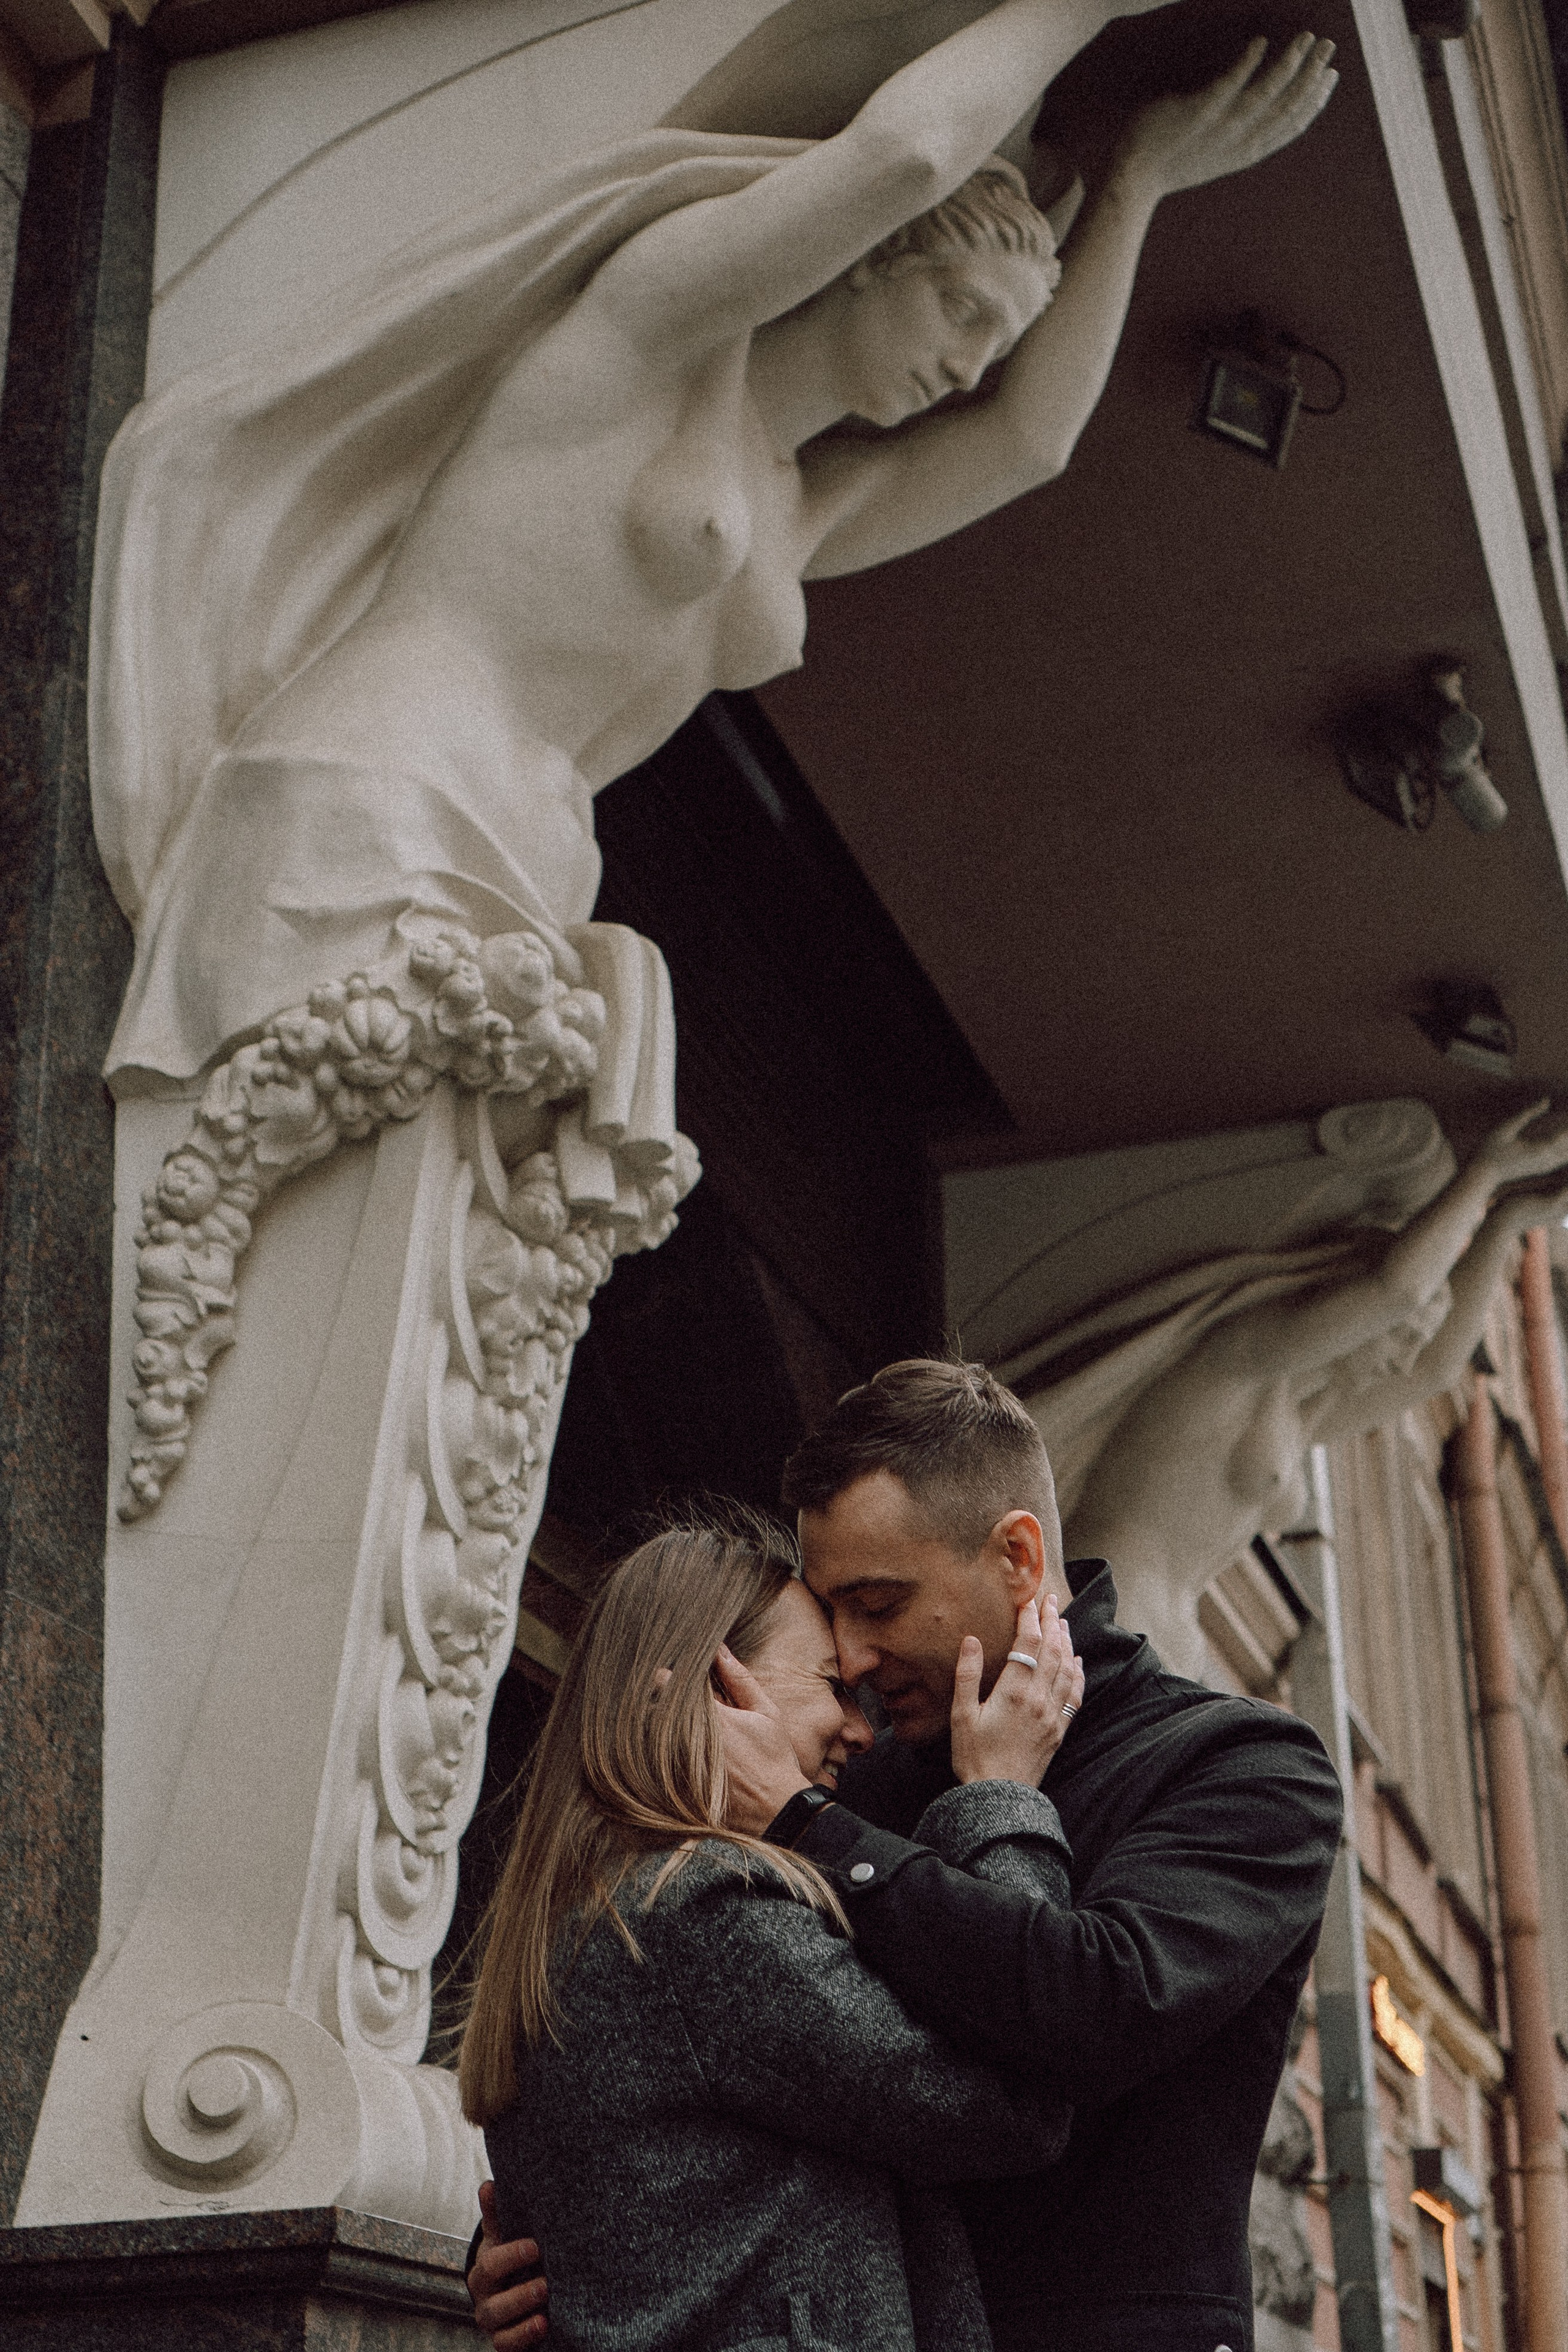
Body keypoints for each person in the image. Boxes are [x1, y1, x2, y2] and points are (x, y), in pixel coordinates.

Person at [92, 0, 1336, 1094]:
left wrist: (1134, 188)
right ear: (860, 264)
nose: (964, 365)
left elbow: (1027, 443)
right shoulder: (658, 327)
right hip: (385, 782)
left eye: (989, 344)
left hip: (539, 861)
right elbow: (900, 154)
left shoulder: (800, 504)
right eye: (958, 310)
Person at [471, 1365, 1342, 2352]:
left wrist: (839, 1822)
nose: (855, 1655)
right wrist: (568, 2252)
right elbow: (705, 2058)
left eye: (878, 1604)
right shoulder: (853, 1779)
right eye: (833, 1617)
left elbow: (1097, 2009)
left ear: (1017, 1556)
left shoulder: (1236, 1768)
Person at [460, 1504, 1086, 2351]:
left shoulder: (597, 1911)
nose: (863, 1730)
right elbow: (1013, 2105)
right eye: (833, 1686)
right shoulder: (703, 1914)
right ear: (719, 1693)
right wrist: (1001, 1794)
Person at [1029, 1098, 1568, 1673]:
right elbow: (1398, 1292)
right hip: (1108, 1599)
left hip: (1173, 1633)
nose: (1404, 1357)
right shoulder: (1239, 1357)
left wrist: (1506, 1222)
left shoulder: (1303, 1411)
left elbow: (1434, 1370)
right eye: (1400, 1336)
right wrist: (1484, 1175)